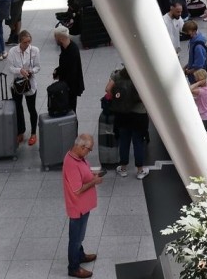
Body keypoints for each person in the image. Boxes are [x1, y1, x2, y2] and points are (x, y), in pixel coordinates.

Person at [62, 134, 105, 278]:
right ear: (81, 147)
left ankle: (80, 255)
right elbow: (77, 189)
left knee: (80, 236)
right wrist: (95, 182)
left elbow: (84, 173)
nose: (89, 152)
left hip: (83, 206)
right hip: (77, 208)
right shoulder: (71, 164)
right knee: (75, 239)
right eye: (89, 150)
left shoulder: (78, 158)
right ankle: (73, 268)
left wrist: (93, 174)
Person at [104, 65, 150, 178]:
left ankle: (123, 168)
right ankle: (139, 171)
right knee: (138, 141)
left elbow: (107, 89)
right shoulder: (141, 76)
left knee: (124, 140)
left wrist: (117, 98)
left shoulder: (118, 75)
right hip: (139, 114)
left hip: (122, 113)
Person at [7, 31, 43, 146]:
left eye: (29, 41)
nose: (27, 44)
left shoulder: (35, 50)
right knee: (18, 108)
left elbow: (38, 67)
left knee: (31, 108)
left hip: (30, 84)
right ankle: (20, 131)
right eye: (25, 42)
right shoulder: (13, 52)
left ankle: (33, 133)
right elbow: (10, 67)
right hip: (17, 84)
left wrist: (31, 71)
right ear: (20, 42)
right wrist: (20, 70)